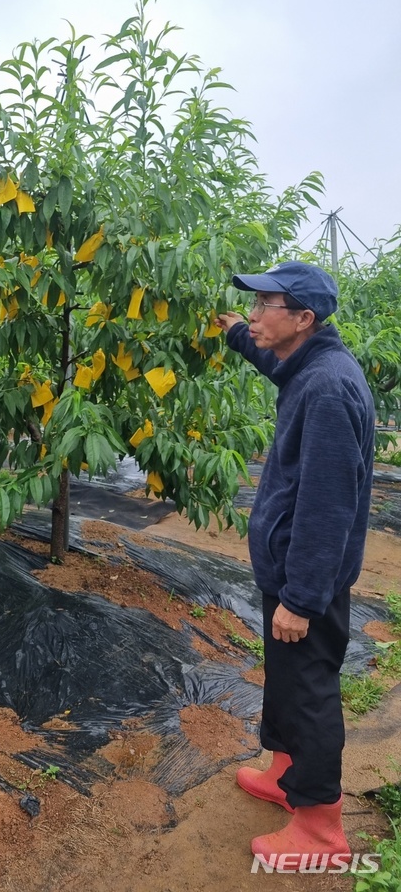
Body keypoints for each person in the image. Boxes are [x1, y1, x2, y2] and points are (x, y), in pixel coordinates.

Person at [215, 261, 375, 869]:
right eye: (250, 308)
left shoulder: (330, 388)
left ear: (302, 318)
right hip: (286, 567)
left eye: (263, 308)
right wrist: (235, 332)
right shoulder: (309, 364)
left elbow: (327, 506)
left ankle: (320, 827)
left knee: (309, 690)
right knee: (285, 677)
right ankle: (284, 771)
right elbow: (277, 363)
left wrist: (302, 598)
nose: (254, 316)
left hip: (306, 575)